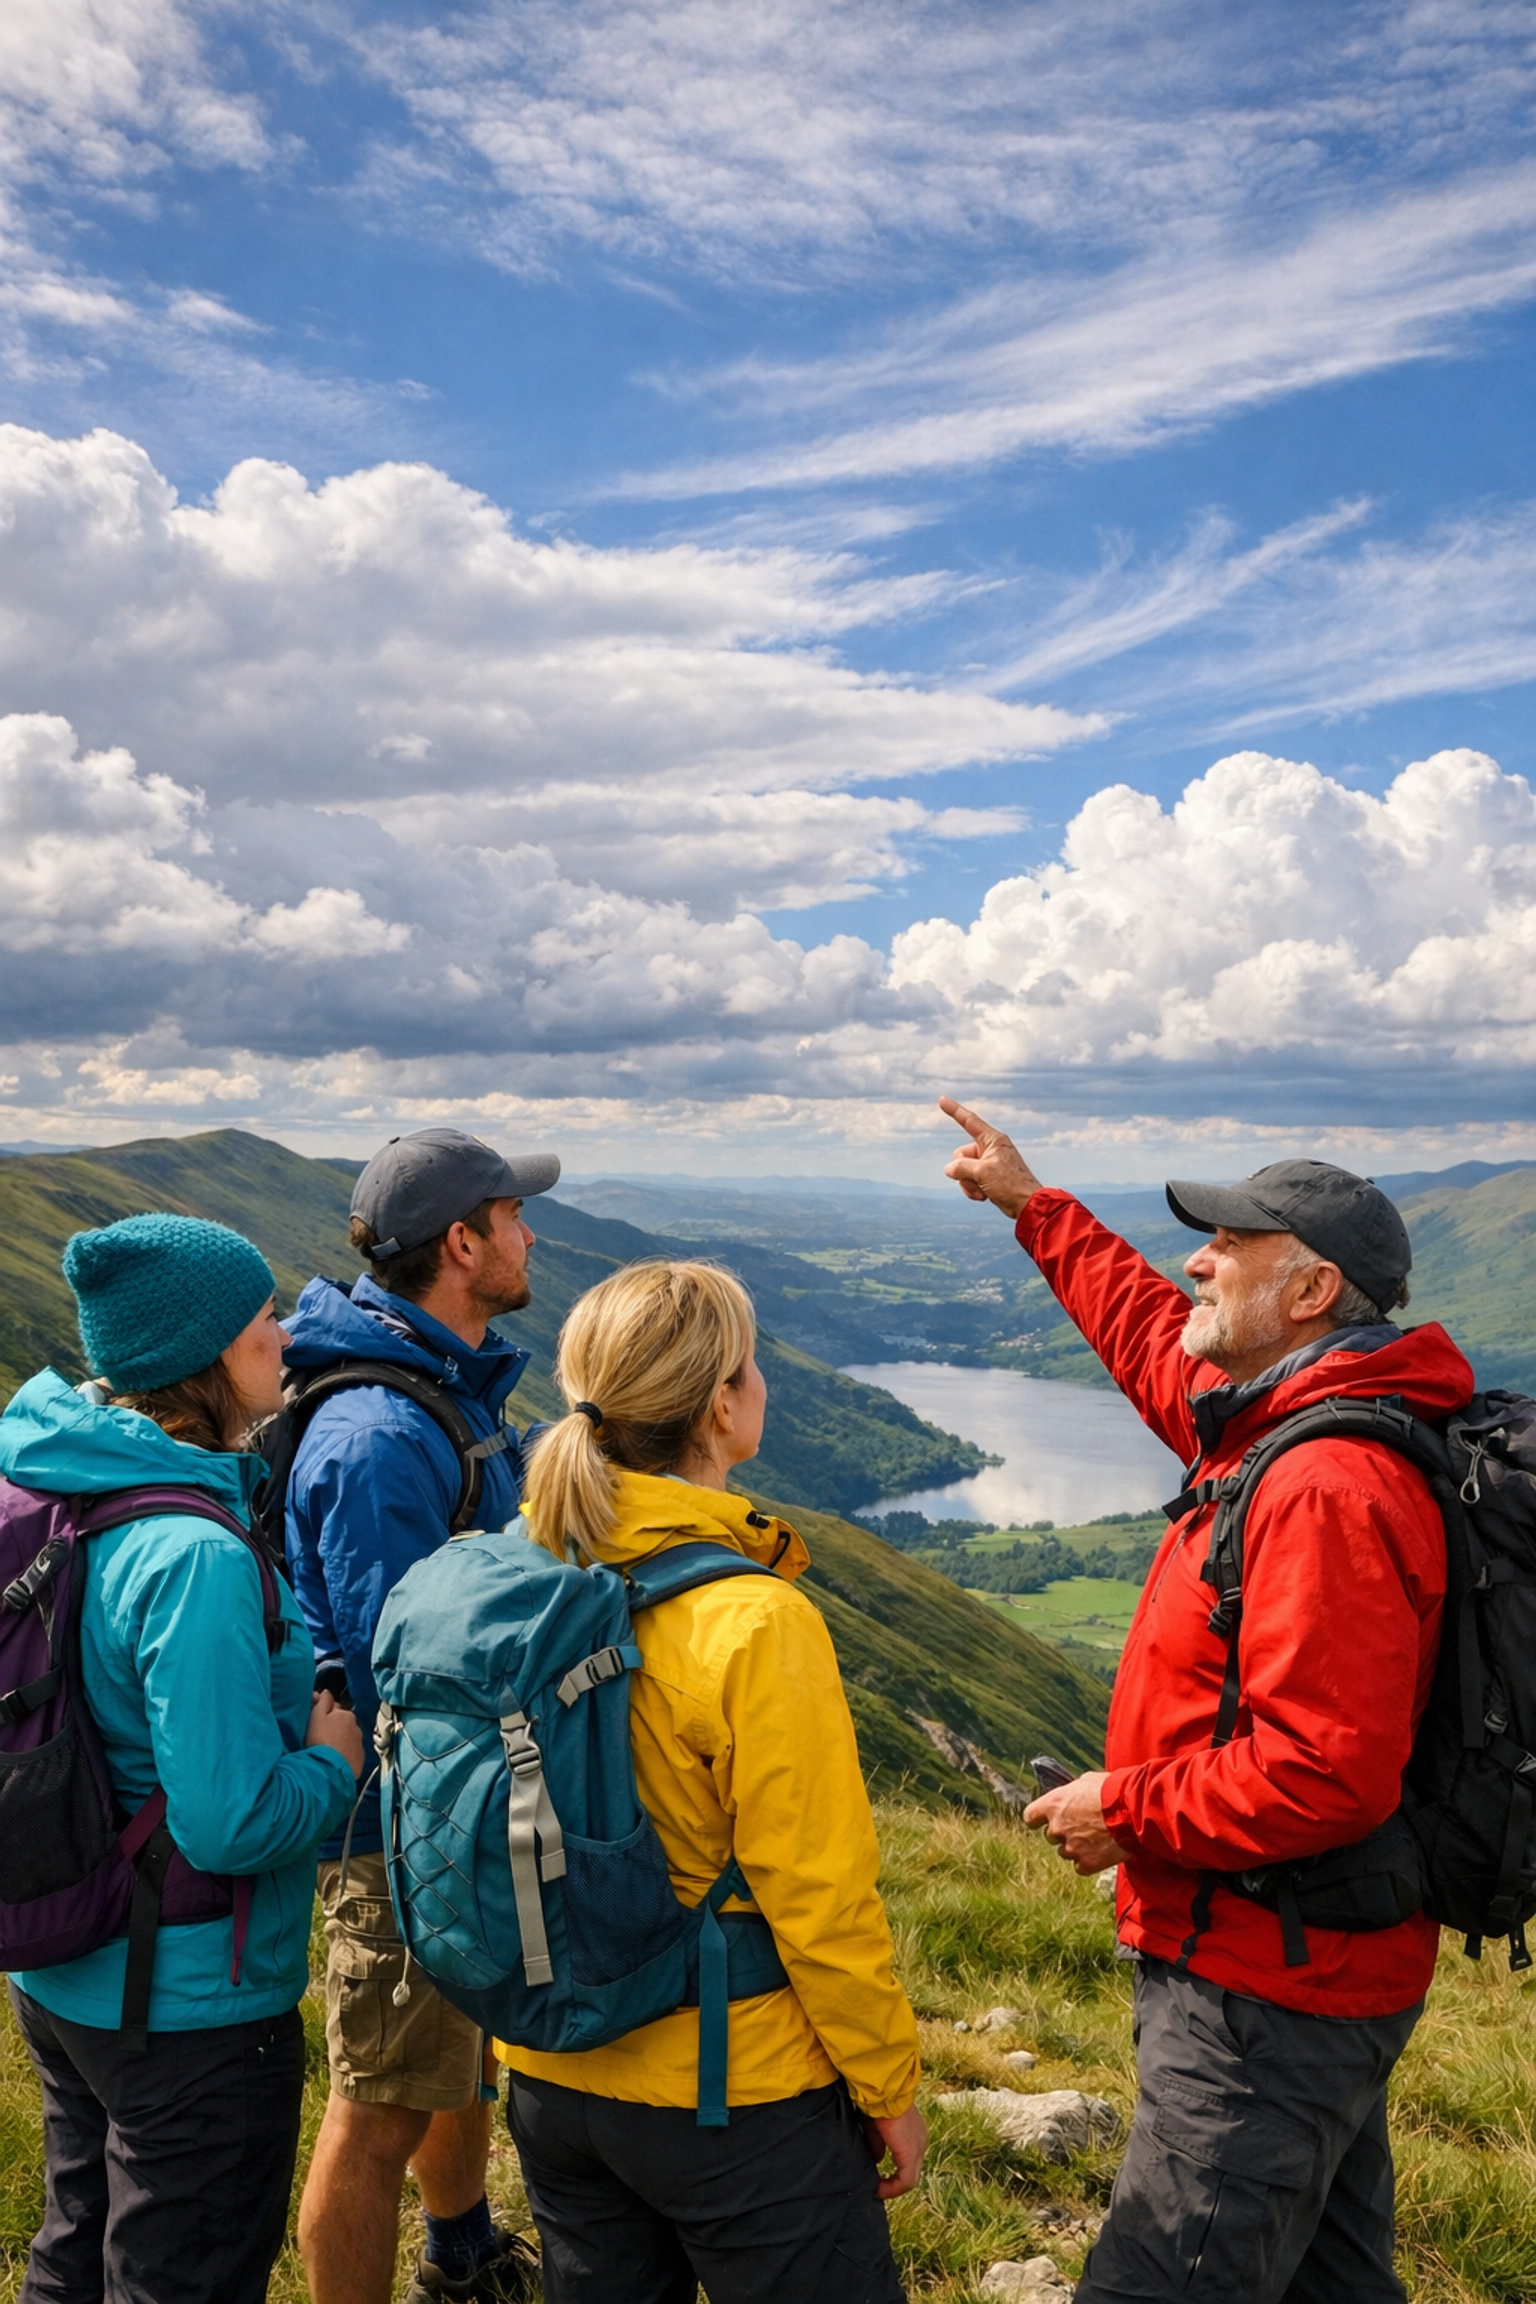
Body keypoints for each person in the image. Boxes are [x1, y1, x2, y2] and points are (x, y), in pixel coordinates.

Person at [941, 1098, 1474, 2304]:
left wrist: (1124, 1812)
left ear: (1309, 1293)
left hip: (1265, 1993)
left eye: (1228, 1245)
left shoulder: (1326, 1483)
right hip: (1302, 1964)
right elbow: (1148, 1331)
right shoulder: (1275, 1427)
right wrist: (1034, 1204)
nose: (1197, 1256)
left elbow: (1323, 1771)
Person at [500, 1257, 924, 2304]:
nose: (762, 1385)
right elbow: (817, 1896)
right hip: (729, 2095)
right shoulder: (755, 1622)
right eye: (752, 1365)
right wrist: (887, 2086)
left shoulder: (519, 1569)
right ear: (721, 1403)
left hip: (553, 2074)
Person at [2, 1213, 365, 2304]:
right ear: (206, 1352)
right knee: (182, 2276)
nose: (287, 1337)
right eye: (262, 1318)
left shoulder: (52, 1480)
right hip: (185, 1995)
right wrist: (335, 1760)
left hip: (63, 1958)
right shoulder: (192, 1555)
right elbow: (232, 1821)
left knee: (78, 2237)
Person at [285, 1127, 557, 2304]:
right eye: (512, 1215)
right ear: (461, 1243)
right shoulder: (381, 1435)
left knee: (455, 2066)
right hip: (401, 1823)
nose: (529, 1232)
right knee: (378, 2104)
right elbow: (402, 1662)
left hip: (447, 1810)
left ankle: (460, 2254)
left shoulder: (439, 1386)